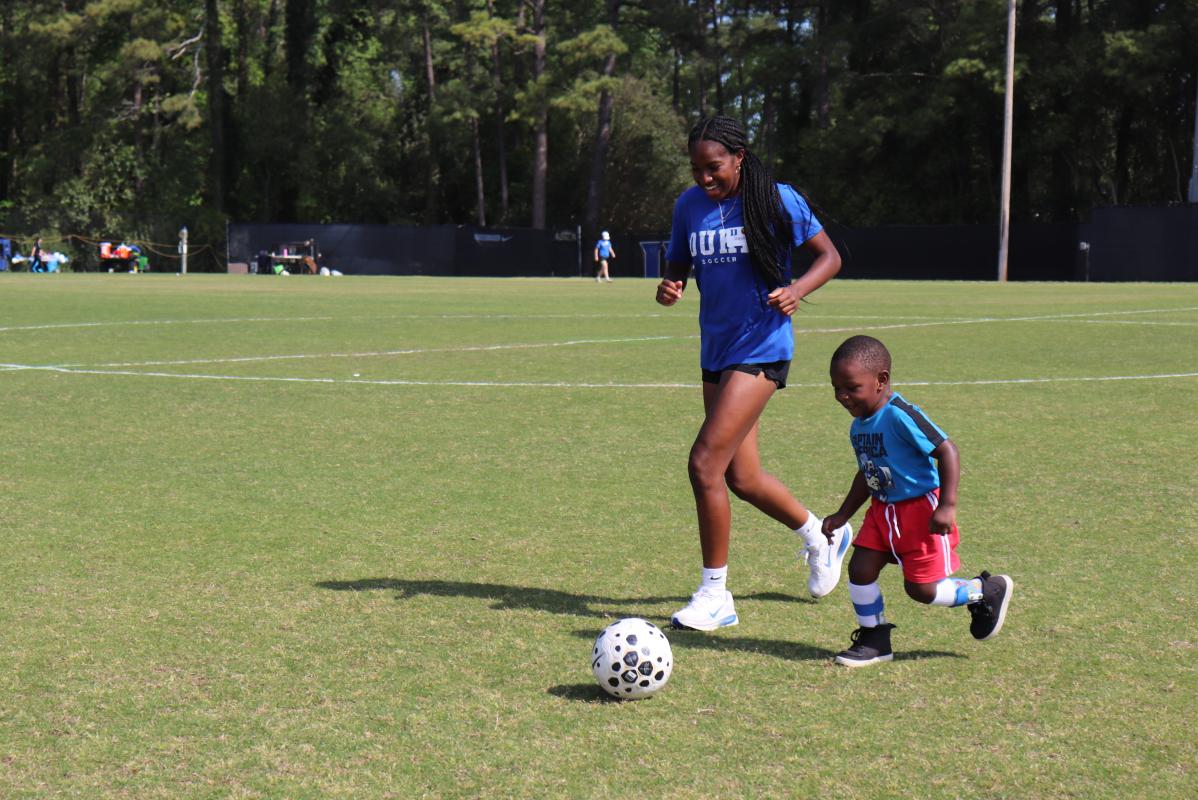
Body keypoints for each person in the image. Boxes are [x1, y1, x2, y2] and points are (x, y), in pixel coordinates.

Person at [655, 115, 851, 631]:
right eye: (696, 168)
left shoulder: (777, 198)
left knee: (703, 465)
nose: (704, 178)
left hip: (762, 348)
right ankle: (821, 535)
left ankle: (715, 595)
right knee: (741, 477)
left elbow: (829, 256)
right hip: (716, 350)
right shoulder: (688, 206)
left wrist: (798, 289)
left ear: (739, 157)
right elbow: (678, 262)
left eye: (714, 167)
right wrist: (671, 284)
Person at [821, 335, 1014, 666]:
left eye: (851, 387)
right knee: (860, 568)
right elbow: (866, 473)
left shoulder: (900, 414)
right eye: (836, 388)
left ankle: (984, 590)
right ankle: (874, 638)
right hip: (882, 512)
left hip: (919, 513)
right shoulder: (858, 426)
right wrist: (842, 514)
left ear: (881, 380)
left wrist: (947, 505)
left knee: (921, 591)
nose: (843, 396)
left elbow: (947, 450)